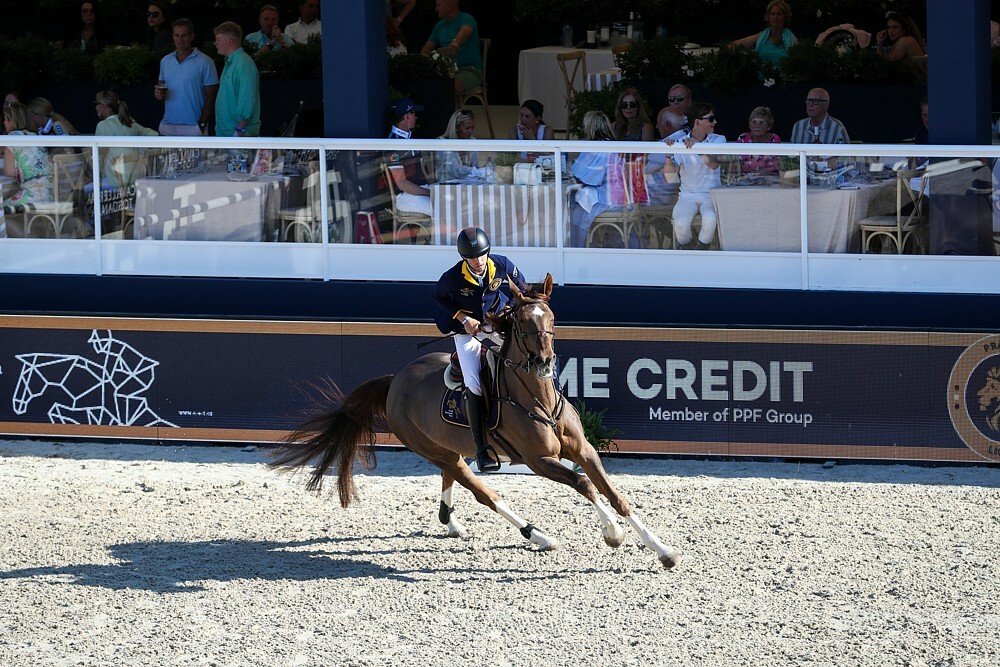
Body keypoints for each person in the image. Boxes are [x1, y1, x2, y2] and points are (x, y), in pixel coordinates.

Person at [433, 227, 529, 473]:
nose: (478, 261)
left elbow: (523, 288)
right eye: (472, 258)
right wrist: (464, 318)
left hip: (496, 320)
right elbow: (439, 297)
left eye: (482, 255)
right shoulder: (453, 277)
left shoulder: (501, 264)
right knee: (473, 381)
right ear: (464, 258)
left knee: (528, 356)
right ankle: (481, 449)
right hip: (467, 331)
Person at [663, 102, 726, 250]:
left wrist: (697, 147)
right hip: (687, 194)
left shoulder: (718, 139)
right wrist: (668, 155)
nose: (715, 122)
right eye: (711, 119)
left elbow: (714, 164)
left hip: (712, 194)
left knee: (711, 220)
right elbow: (670, 178)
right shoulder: (680, 142)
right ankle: (689, 254)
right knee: (680, 223)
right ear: (697, 122)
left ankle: (701, 253)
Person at [155, 19, 219, 136]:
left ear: (192, 36)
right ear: (173, 37)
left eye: (184, 35)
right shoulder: (165, 61)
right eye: (177, 35)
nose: (180, 39)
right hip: (168, 125)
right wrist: (158, 94)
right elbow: (160, 88)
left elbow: (212, 96)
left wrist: (202, 124)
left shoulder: (205, 61)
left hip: (193, 126)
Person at [568, 110, 618, 247]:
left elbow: (588, 177)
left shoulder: (600, 147)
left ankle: (578, 248)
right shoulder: (609, 144)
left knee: (573, 211)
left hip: (609, 197)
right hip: (615, 193)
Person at [94, 90, 158, 186]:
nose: (95, 107)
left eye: (96, 103)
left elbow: (99, 158)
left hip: (117, 181)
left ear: (104, 107)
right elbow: (154, 135)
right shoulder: (129, 122)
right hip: (137, 176)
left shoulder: (103, 125)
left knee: (86, 185)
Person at [421, 0, 482, 96]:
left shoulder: (467, 19)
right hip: (447, 71)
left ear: (449, 6)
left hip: (469, 70)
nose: (436, 9)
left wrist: (451, 47)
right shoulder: (440, 25)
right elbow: (426, 48)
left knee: (448, 87)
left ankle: (446, 110)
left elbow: (460, 37)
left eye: (438, 5)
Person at [2, 102, 54, 210]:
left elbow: (9, 173)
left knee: (2, 206)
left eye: (6, 119)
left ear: (13, 121)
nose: (3, 122)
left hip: (33, 197)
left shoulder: (11, 138)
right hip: (51, 195)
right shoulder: (33, 136)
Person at [213, 22, 260, 138]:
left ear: (229, 42)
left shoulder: (244, 64)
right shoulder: (230, 62)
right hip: (228, 132)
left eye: (218, 40)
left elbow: (247, 97)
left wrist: (239, 130)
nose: (215, 43)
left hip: (238, 135)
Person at [386, 97, 431, 216]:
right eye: (414, 113)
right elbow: (402, 183)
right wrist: (429, 193)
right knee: (443, 210)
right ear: (407, 116)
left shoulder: (408, 138)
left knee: (452, 203)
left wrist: (434, 189)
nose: (416, 117)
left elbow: (423, 172)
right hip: (406, 196)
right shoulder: (393, 143)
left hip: (420, 192)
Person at [730, 0, 797, 66]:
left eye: (779, 14)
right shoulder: (761, 36)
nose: (775, 17)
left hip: (783, 76)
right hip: (762, 75)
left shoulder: (791, 38)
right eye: (773, 14)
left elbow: (800, 56)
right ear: (768, 17)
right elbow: (736, 44)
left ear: (785, 18)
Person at [736, 106, 781, 176]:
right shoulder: (743, 138)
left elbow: (777, 164)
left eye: (761, 122)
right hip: (745, 181)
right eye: (754, 122)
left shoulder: (774, 139)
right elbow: (736, 162)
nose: (757, 125)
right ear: (749, 125)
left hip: (769, 181)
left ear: (769, 126)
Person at [436, 108, 478, 182]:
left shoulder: (473, 142)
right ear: (456, 127)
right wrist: (474, 170)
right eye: (467, 128)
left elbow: (475, 167)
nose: (471, 131)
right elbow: (455, 170)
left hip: (467, 186)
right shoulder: (443, 143)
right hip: (445, 188)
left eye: (472, 128)